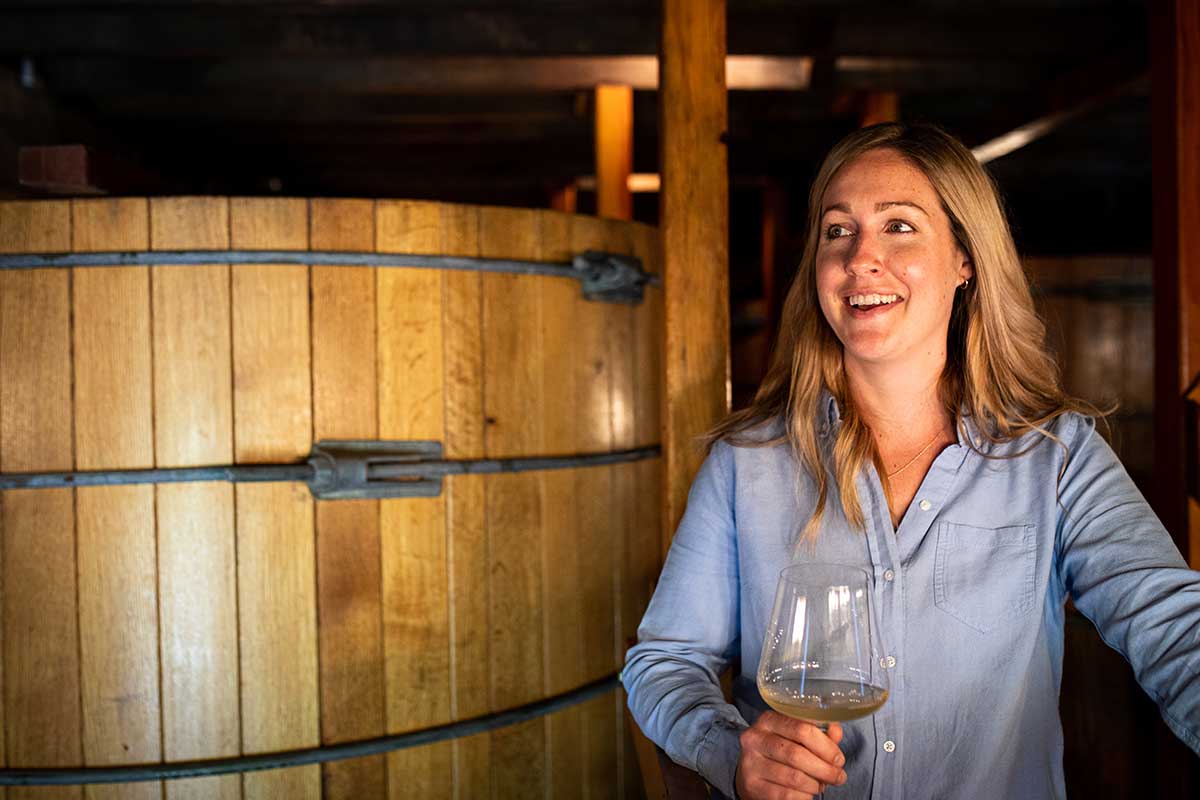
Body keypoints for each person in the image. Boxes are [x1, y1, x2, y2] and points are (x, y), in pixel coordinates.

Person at [622, 123, 1200, 799]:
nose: (861, 257)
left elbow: (1173, 627)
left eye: (899, 226)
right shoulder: (746, 465)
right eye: (838, 231)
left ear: (966, 258)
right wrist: (730, 751)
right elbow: (665, 662)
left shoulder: (1057, 457)